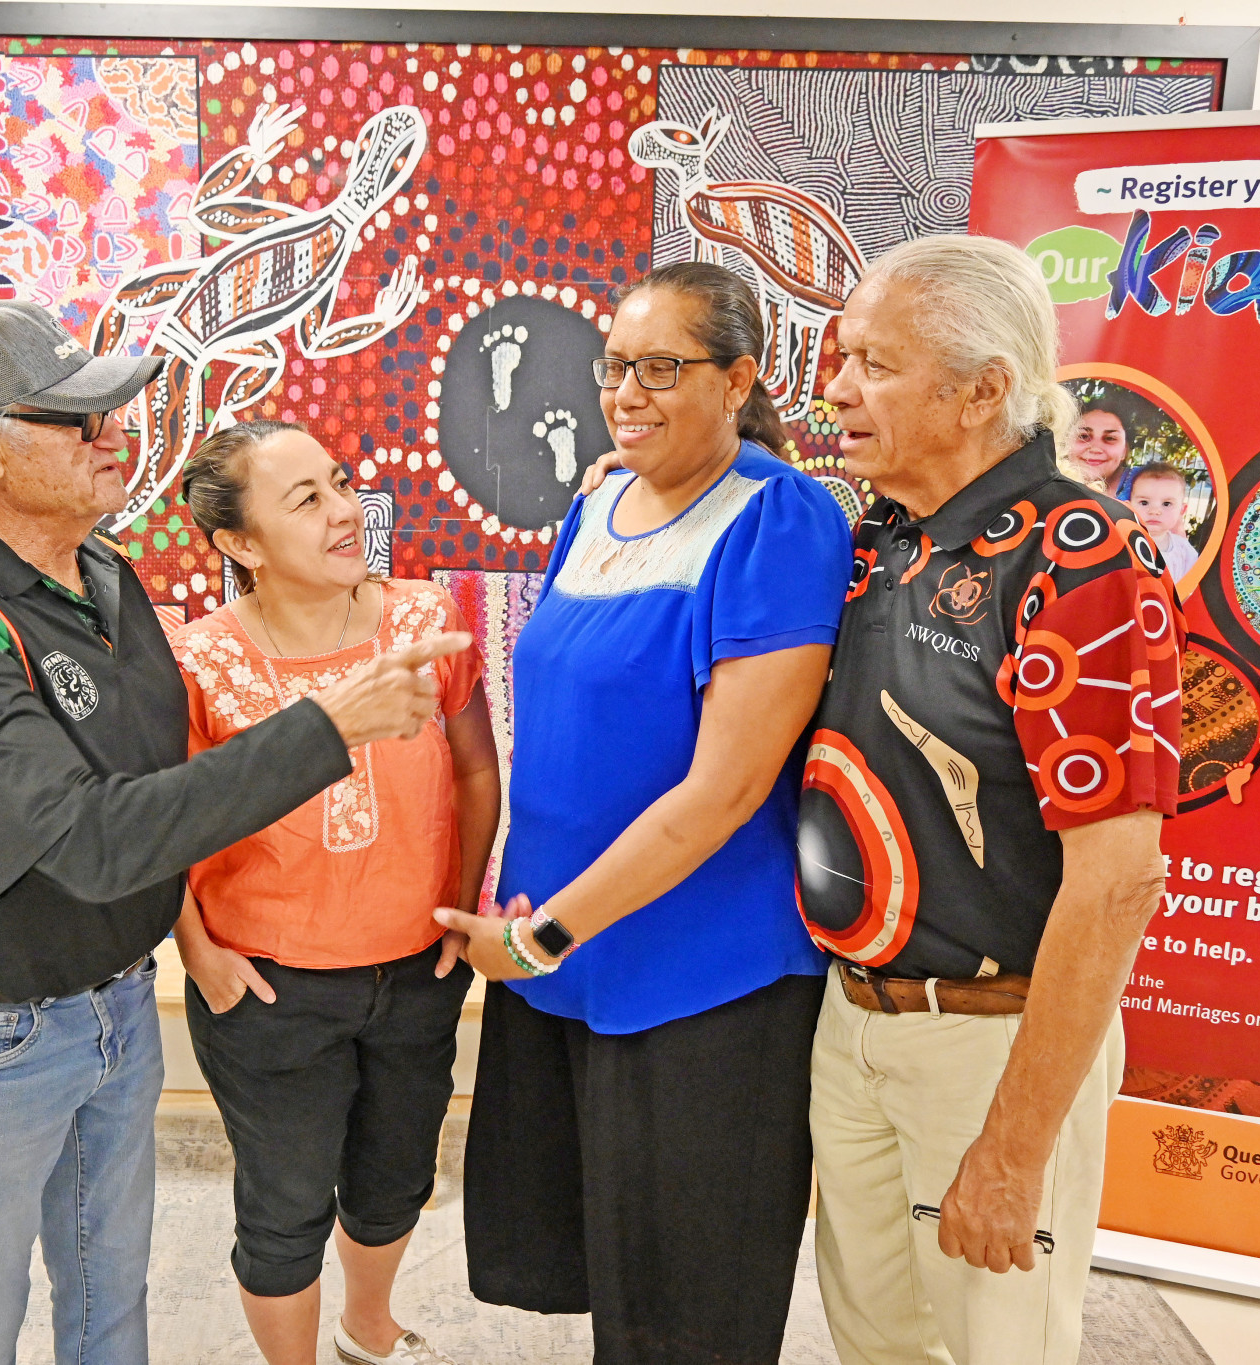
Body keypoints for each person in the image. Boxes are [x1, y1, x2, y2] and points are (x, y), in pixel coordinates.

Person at [0, 300, 469, 1365]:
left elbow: (164, 784)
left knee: (107, 1292)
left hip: (112, 1007)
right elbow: (88, 838)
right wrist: (323, 728)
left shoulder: (104, 576)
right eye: (78, 420)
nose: (116, 437)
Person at [433, 261, 849, 1365]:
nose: (627, 392)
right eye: (616, 366)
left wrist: (540, 931)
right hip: (572, 956)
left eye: (662, 368)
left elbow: (723, 788)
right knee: (613, 1276)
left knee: (688, 1305)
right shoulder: (600, 501)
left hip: (698, 971)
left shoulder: (777, 519)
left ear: (738, 378)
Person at [800, 235, 1183, 1365]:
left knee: (994, 1346)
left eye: (871, 361)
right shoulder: (879, 536)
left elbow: (1118, 884)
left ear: (980, 393)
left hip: (992, 1038)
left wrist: (1015, 1146)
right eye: (840, 357)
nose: (836, 387)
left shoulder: (1084, 558)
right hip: (853, 1019)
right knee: (874, 1339)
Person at [167, 420, 501, 1365]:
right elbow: (163, 824)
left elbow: (476, 771)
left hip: (416, 968)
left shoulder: (424, 621)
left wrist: (461, 905)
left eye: (343, 483)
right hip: (266, 987)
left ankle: (369, 1327)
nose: (346, 511)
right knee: (284, 1207)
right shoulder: (199, 662)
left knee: (395, 1179)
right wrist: (201, 952)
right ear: (239, 543)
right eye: (306, 499)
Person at [1127, 460, 1200, 581]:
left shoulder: (1184, 551)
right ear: (1129, 506)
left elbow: (1193, 585)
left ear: (1182, 510)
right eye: (1144, 502)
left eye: (1166, 504)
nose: (1154, 511)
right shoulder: (1124, 543)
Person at [1064, 397, 1137, 496]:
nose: (1095, 449)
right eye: (1083, 436)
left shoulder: (1148, 487)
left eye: (1110, 438)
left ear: (1125, 450)